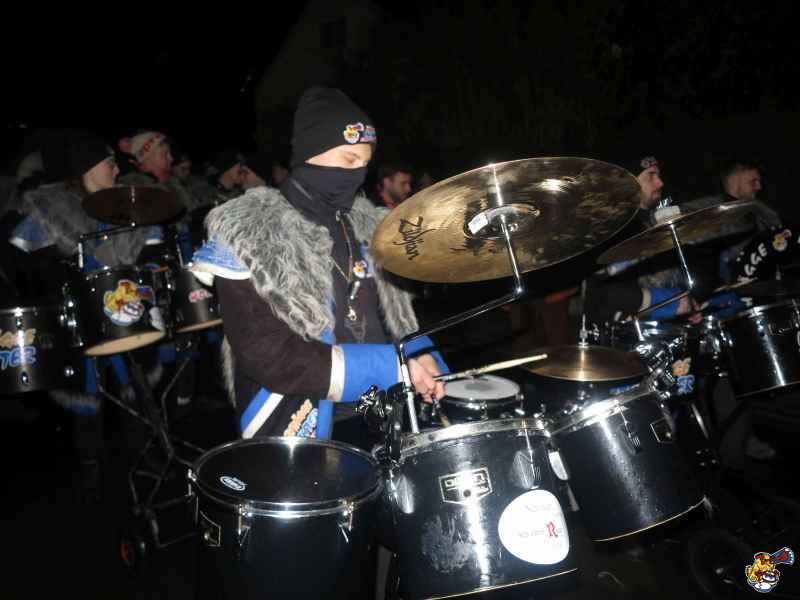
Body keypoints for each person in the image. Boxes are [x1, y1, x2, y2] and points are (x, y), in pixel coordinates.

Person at [192, 86, 446, 440]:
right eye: (348, 159)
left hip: (388, 408)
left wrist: (421, 353)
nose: (357, 173)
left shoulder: (369, 225)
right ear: (312, 153)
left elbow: (395, 318)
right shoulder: (249, 232)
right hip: (300, 422)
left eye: (364, 163)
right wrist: (392, 366)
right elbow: (269, 356)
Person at [9, 130, 165, 499]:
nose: (116, 169)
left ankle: (145, 458)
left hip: (126, 309)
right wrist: (57, 276)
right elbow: (19, 253)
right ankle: (91, 467)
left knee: (135, 384)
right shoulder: (52, 209)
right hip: (79, 314)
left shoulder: (127, 203)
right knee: (87, 391)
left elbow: (153, 249)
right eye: (109, 163)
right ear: (87, 168)